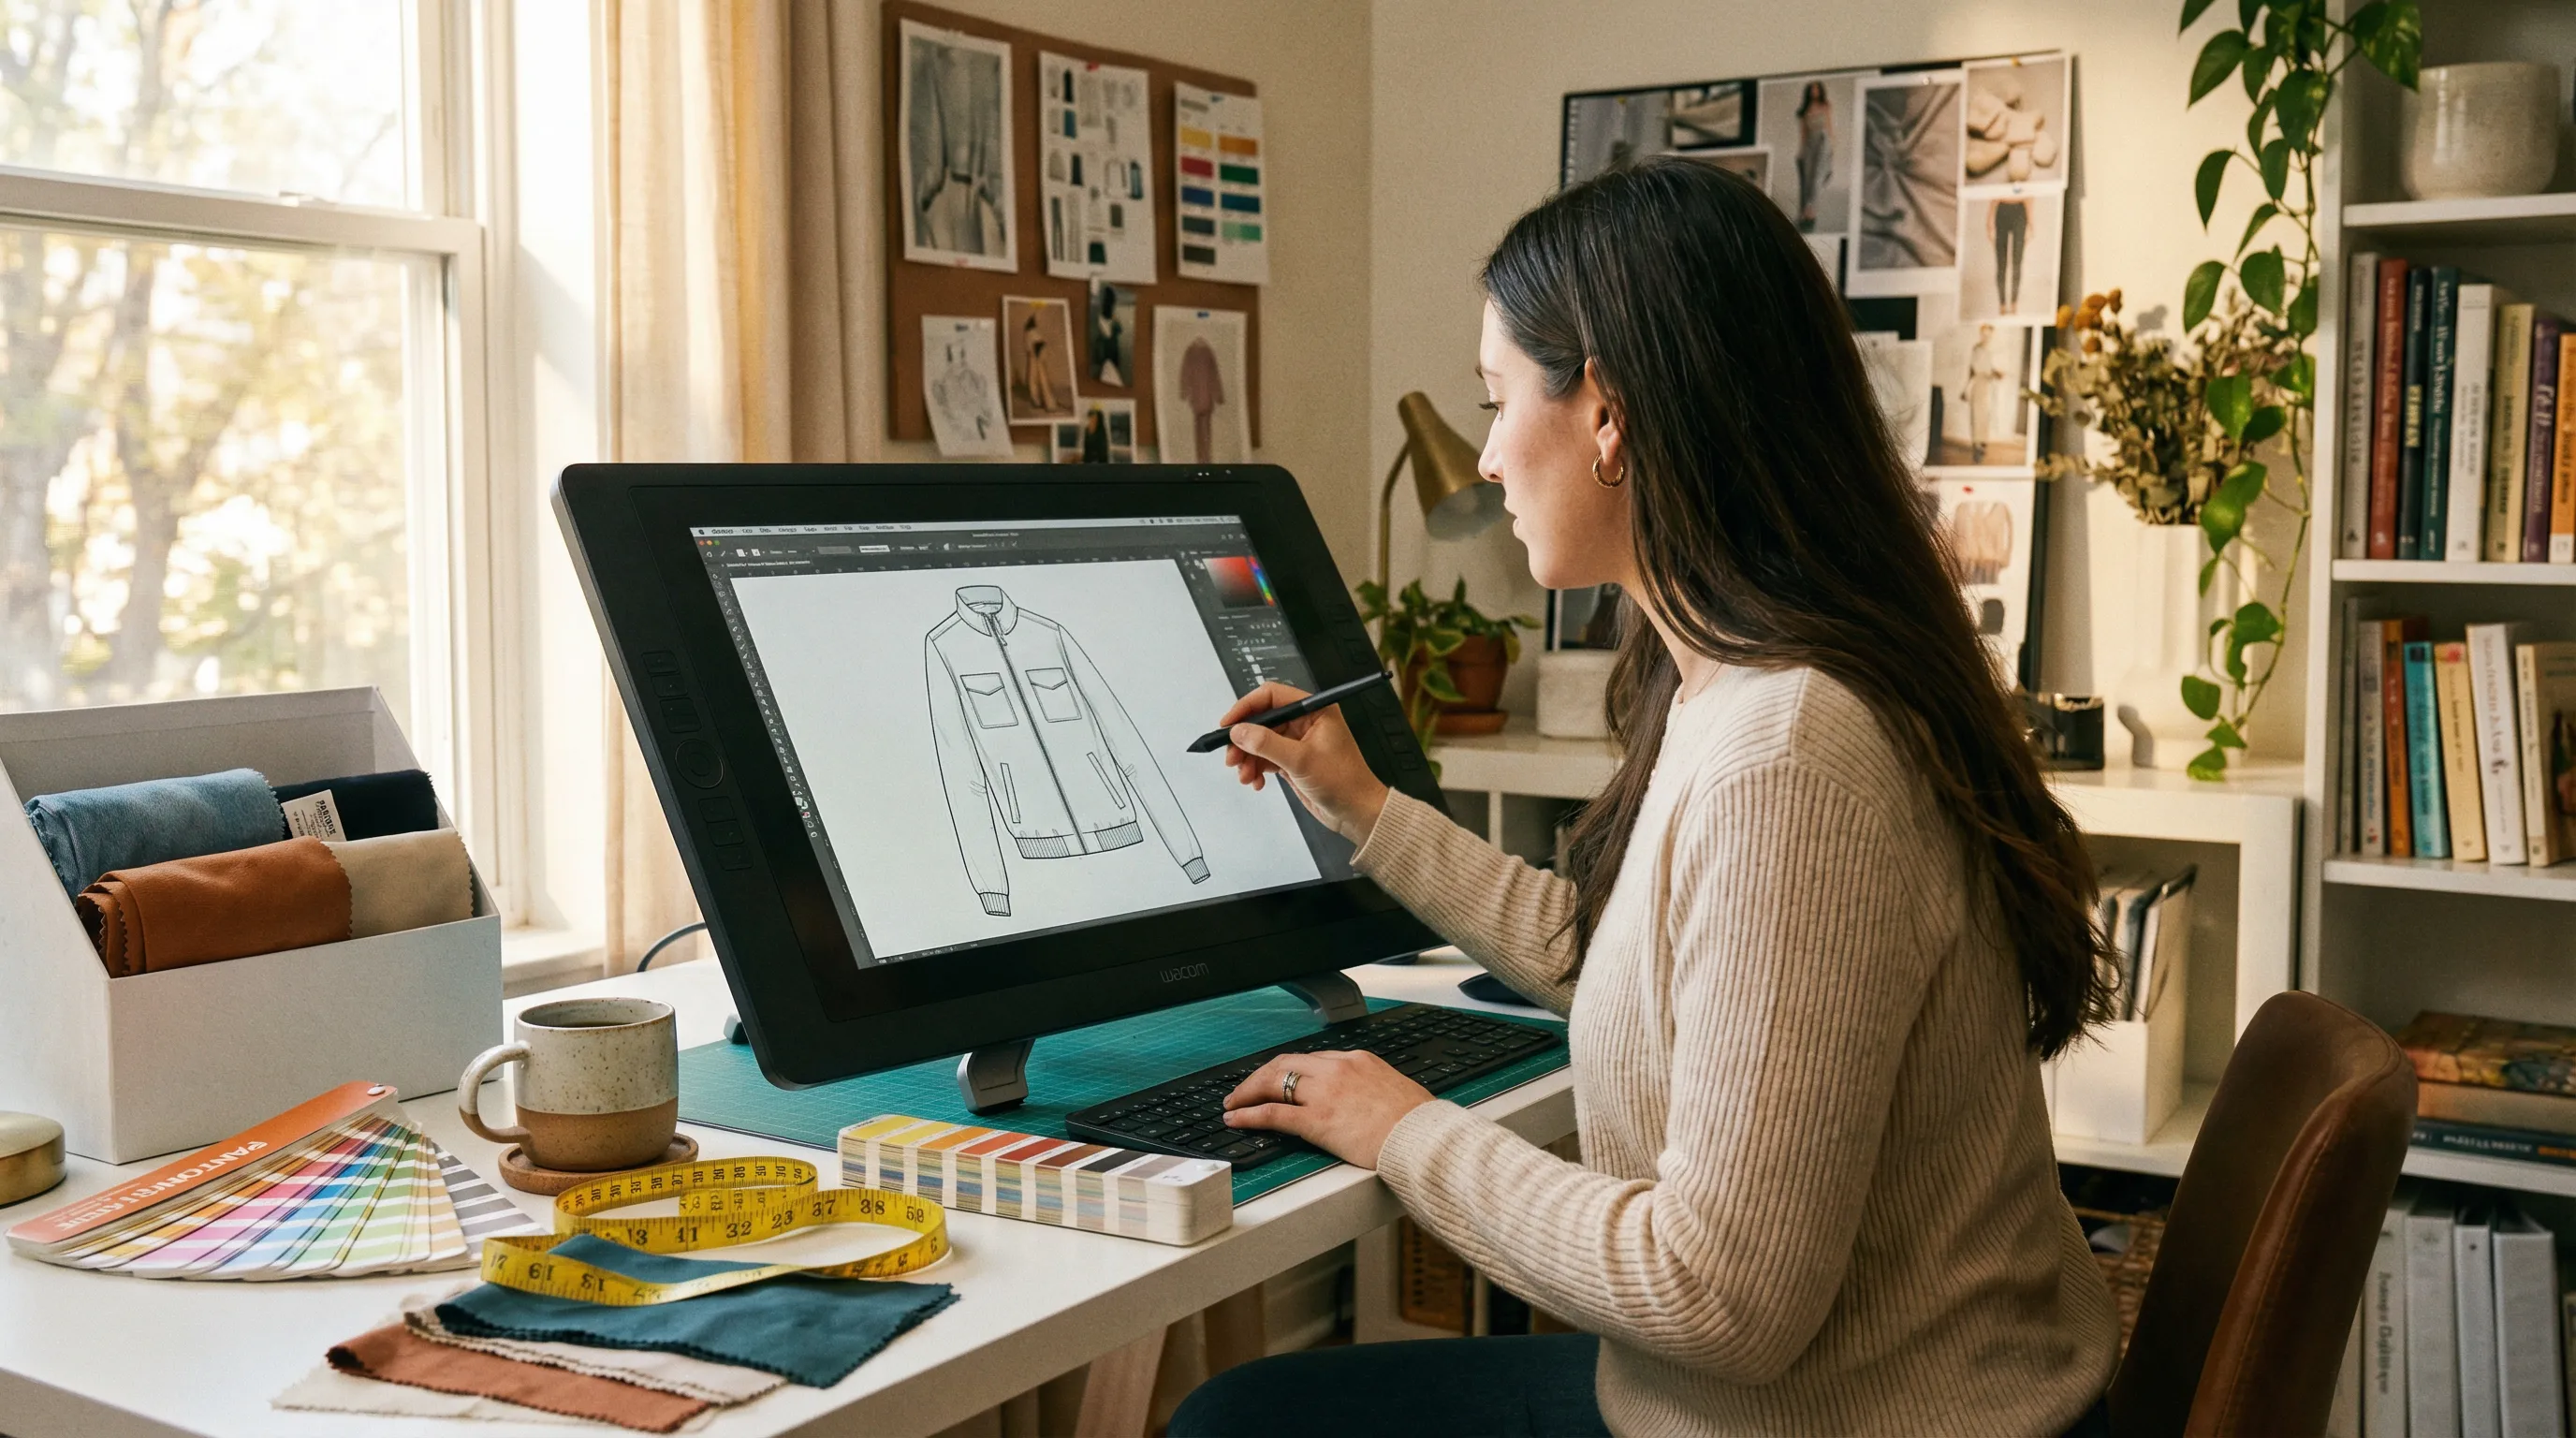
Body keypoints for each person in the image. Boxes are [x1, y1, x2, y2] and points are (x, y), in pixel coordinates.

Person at [1172, 157, 2118, 1438]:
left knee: (1238, 1427)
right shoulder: (1747, 686)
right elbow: (1650, 967)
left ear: (1608, 410)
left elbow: (1720, 1295)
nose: (1493, 457)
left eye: (1501, 400)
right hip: (1799, 1407)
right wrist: (1365, 808)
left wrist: (1403, 1128)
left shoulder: (1792, 752)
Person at [1794, 80, 1834, 233]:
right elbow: (1803, 133)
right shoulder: (1805, 110)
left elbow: (1829, 128)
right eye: (1812, 89)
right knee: (1808, 178)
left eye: (1817, 89)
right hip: (1810, 144)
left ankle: (1811, 211)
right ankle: (1805, 211)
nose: (1814, 92)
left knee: (1817, 176)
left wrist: (1832, 150)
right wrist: (1801, 152)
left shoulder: (1826, 106)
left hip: (1823, 141)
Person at [1966, 322, 2005, 463]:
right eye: (1984, 334)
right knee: (1976, 415)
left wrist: (1997, 374)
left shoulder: (1990, 351)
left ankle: (1982, 444)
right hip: (1978, 384)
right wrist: (1966, 388)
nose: (1986, 337)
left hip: (1988, 386)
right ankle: (1976, 446)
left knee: (1986, 416)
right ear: (1981, 334)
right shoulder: (1976, 349)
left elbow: (1991, 368)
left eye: (1989, 335)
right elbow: (1974, 368)